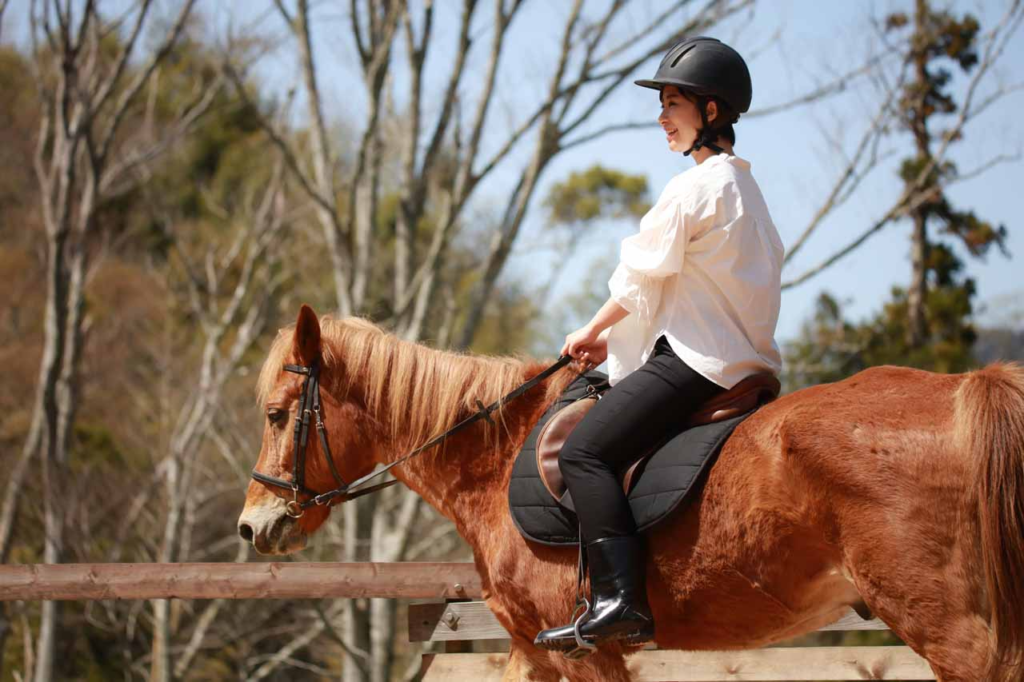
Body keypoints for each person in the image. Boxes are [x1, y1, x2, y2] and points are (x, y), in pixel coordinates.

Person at [534, 36, 784, 652]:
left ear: (712, 112)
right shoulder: (750, 195)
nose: (662, 118)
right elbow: (682, 287)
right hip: (744, 364)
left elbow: (642, 278)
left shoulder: (694, 188)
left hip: (697, 363)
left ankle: (619, 600)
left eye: (673, 103)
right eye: (663, 105)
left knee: (585, 455)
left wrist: (591, 331)